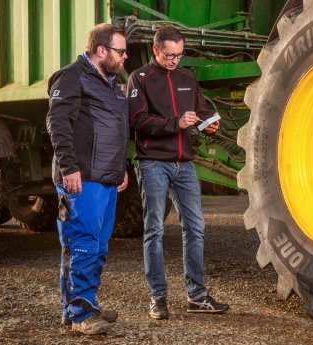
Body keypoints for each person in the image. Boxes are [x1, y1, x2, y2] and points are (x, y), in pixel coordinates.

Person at [127, 26, 229, 319]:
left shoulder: (187, 77)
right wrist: (175, 123)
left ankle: (197, 296)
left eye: (179, 55)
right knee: (155, 230)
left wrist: (209, 124)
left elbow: (201, 111)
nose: (174, 61)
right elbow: (137, 121)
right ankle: (157, 297)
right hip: (152, 163)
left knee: (195, 228)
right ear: (156, 50)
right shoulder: (140, 78)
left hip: (184, 164)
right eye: (169, 55)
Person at [46, 23, 129, 335]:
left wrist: (121, 166)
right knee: (81, 244)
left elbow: (117, 129)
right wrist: (69, 167)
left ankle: (82, 303)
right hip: (81, 178)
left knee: (98, 246)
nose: (125, 57)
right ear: (102, 50)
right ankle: (81, 313)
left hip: (106, 177)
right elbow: (57, 122)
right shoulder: (71, 76)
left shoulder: (111, 83)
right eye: (120, 51)